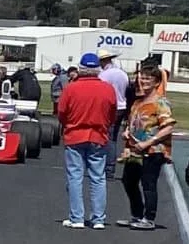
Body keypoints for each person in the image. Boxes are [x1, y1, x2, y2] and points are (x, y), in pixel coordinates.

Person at [56, 50, 120, 228]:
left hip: (75, 135)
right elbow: (112, 114)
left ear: (81, 69)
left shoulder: (71, 88)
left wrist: (69, 124)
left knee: (75, 177)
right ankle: (98, 218)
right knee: (98, 177)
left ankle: (77, 217)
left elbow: (61, 113)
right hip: (98, 136)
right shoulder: (107, 89)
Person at [121, 66, 176, 230]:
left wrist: (149, 141)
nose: (143, 82)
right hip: (135, 149)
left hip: (153, 149)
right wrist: (127, 131)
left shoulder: (161, 102)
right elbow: (134, 122)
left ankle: (149, 217)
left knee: (148, 183)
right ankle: (136, 214)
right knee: (129, 181)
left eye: (147, 79)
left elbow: (168, 126)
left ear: (157, 82)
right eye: (141, 78)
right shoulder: (138, 102)